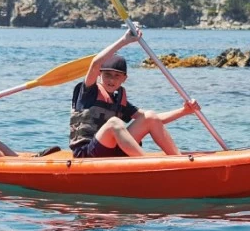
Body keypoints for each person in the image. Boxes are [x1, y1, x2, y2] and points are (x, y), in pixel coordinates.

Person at [69, 29, 200, 158]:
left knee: (150, 116)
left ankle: (178, 159)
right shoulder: (89, 91)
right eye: (107, 75)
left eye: (117, 76)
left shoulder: (119, 101)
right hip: (87, 152)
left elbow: (156, 120)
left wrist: (184, 111)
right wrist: (124, 41)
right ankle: (147, 164)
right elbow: (95, 64)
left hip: (112, 150)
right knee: (115, 122)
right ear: (99, 74)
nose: (111, 79)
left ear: (124, 79)